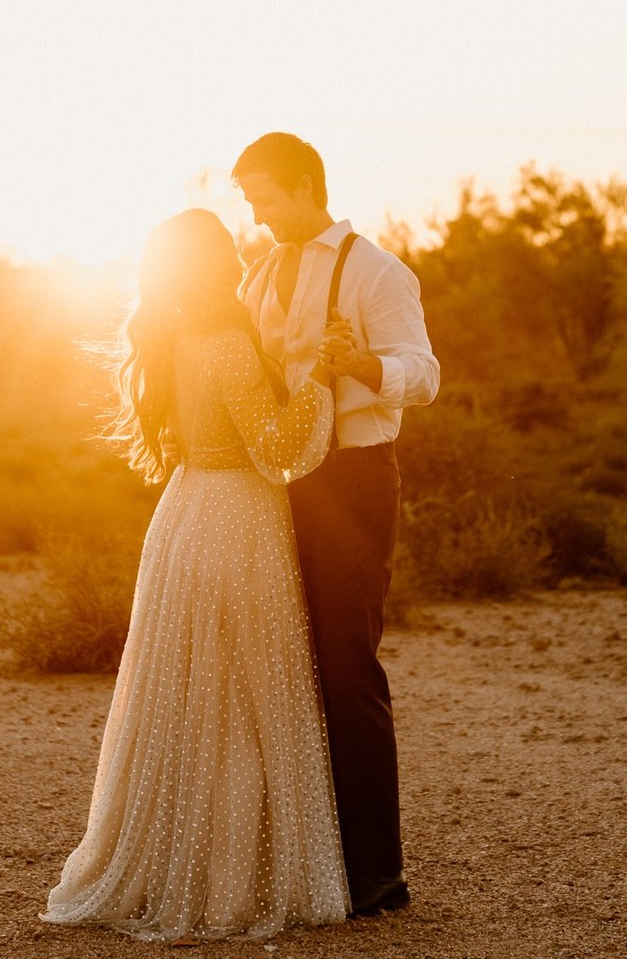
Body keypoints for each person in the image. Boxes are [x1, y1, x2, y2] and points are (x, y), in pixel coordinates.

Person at [42, 209, 351, 942]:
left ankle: (181, 869)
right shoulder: (229, 344)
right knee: (246, 701)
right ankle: (227, 889)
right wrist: (323, 380)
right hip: (236, 520)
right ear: (222, 264)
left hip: (183, 516)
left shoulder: (169, 339)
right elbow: (276, 447)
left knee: (187, 701)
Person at [232, 132, 440, 918]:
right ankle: (303, 861)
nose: (257, 216)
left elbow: (424, 373)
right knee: (282, 665)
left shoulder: (377, 270)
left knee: (348, 667)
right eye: (249, 202)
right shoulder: (258, 274)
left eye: (266, 199)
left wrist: (361, 366)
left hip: (353, 481)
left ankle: (376, 875)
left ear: (306, 185)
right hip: (274, 484)